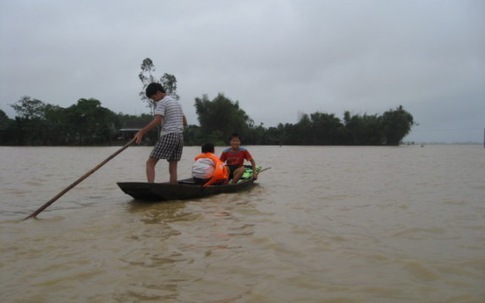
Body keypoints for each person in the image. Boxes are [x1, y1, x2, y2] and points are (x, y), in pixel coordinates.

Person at [134, 82, 187, 183]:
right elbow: (184, 122)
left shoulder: (162, 102)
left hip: (169, 135)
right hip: (179, 137)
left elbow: (157, 120)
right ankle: (173, 188)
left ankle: (151, 187)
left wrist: (142, 132)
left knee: (150, 163)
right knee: (173, 165)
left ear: (158, 93)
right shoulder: (177, 103)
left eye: (154, 98)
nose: (155, 101)